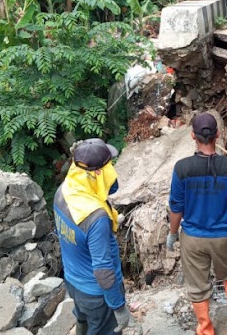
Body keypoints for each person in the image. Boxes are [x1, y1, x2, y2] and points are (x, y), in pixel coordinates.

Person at [167, 112, 227, 335]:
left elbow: (176, 206)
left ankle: (205, 327)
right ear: (218, 135)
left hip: (192, 237)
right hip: (223, 235)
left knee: (197, 284)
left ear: (193, 136)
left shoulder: (182, 168)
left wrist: (172, 233)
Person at [53, 139, 132, 335]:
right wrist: (118, 307)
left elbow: (108, 189)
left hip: (73, 281)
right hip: (97, 295)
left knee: (85, 323)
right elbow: (103, 270)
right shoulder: (97, 219)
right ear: (98, 172)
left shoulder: (64, 190)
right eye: (109, 164)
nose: (112, 168)